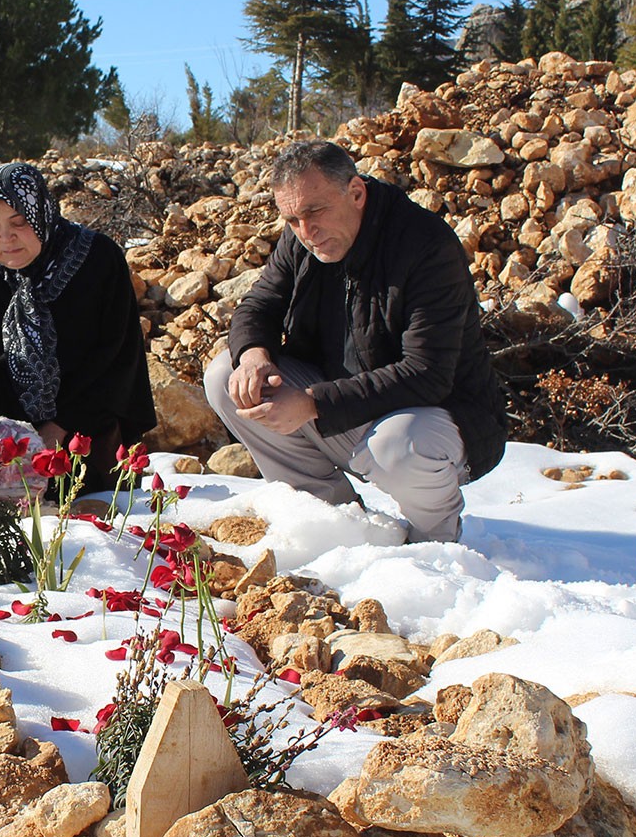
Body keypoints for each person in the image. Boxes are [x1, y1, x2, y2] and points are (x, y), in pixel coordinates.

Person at [203, 139, 507, 542]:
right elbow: (260, 304)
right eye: (292, 219)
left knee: (399, 446)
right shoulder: (303, 239)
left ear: (357, 193)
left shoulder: (425, 246)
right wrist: (254, 356)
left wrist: (312, 404)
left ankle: (436, 542)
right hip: (346, 408)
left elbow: (428, 374)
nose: (306, 231)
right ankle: (336, 522)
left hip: (439, 419)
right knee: (228, 376)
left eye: (315, 212)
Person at [0, 162, 155, 493]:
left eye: (19, 223)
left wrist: (60, 426)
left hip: (81, 432)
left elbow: (118, 357)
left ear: (41, 213)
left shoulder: (97, 259)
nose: (5, 239)